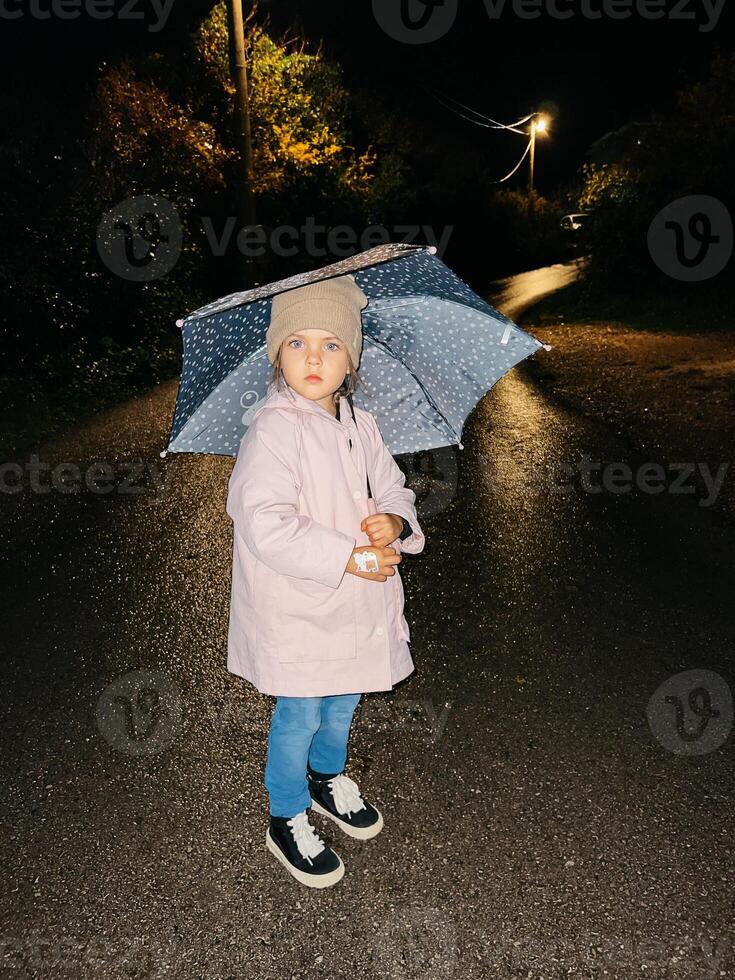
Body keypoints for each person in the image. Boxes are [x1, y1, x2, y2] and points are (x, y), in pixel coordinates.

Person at [225, 273, 425, 888]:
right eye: (297, 343)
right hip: (300, 604)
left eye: (332, 344)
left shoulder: (361, 425)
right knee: (302, 710)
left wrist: (395, 519)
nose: (314, 357)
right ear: (276, 354)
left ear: (353, 360)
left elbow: (393, 486)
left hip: (358, 602)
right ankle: (285, 814)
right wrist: (347, 556)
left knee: (345, 697)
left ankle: (325, 777)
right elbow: (264, 523)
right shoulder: (273, 429)